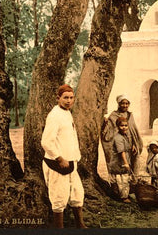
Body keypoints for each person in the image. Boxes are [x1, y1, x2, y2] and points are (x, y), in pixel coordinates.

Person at [41, 83, 87, 229]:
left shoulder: (67, 113)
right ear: (58, 98)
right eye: (65, 98)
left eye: (71, 98)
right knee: (59, 197)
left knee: (77, 194)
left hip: (71, 162)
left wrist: (73, 158)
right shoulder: (54, 115)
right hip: (57, 164)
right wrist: (59, 158)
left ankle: (80, 224)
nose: (68, 101)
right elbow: (46, 142)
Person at [101, 94, 143, 181]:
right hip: (119, 146)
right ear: (119, 104)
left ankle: (132, 183)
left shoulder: (130, 116)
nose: (125, 105)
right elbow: (109, 132)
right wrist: (105, 123)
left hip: (131, 145)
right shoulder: (114, 116)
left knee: (132, 164)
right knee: (121, 166)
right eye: (123, 103)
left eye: (127, 103)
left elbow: (133, 132)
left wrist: (134, 144)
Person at [108, 117, 133, 203]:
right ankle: (123, 197)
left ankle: (123, 194)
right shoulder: (118, 138)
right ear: (118, 126)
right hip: (118, 162)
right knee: (121, 180)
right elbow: (121, 152)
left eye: (126, 125)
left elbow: (126, 147)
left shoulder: (125, 136)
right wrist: (126, 163)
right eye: (122, 125)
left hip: (123, 160)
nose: (124, 127)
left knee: (124, 179)